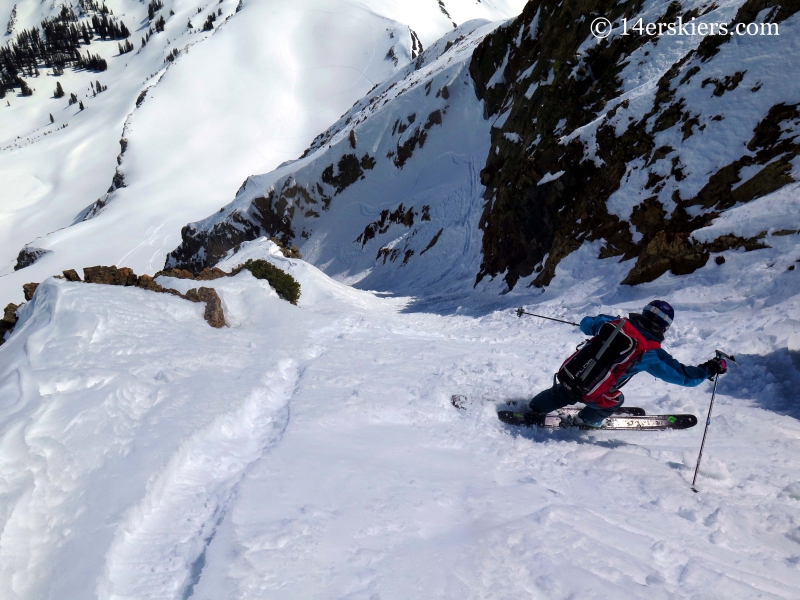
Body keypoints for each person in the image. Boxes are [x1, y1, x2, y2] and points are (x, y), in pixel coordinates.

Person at [528, 300, 727, 427]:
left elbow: (585, 323)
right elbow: (684, 377)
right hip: (593, 392)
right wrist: (711, 367)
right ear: (664, 326)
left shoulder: (615, 323)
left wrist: (596, 324)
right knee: (617, 400)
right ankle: (585, 420)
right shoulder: (651, 352)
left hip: (571, 375)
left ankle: (533, 408)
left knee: (562, 393)